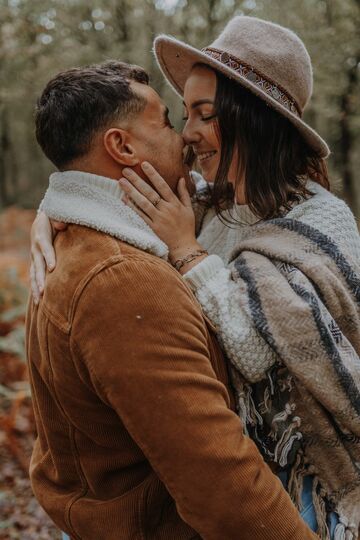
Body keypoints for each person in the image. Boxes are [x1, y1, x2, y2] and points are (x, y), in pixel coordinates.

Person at [31, 16, 360, 540]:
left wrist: (187, 252)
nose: (188, 134)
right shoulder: (209, 202)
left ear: (252, 119)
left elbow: (266, 357)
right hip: (231, 474)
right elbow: (107, 193)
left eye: (204, 115)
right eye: (182, 115)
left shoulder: (319, 220)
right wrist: (53, 212)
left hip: (308, 470)